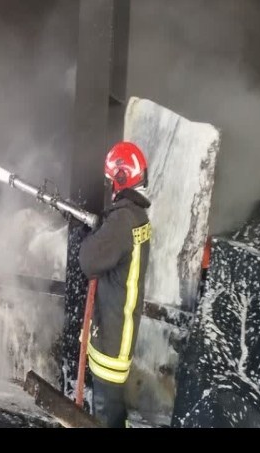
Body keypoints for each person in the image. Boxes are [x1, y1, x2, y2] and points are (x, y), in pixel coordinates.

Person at [78, 141, 152, 428]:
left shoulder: (122, 220)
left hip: (112, 335)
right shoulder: (136, 215)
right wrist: (103, 229)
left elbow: (89, 259)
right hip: (120, 329)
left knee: (106, 415)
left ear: (121, 178)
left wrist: (94, 235)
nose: (109, 186)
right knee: (114, 412)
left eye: (111, 180)